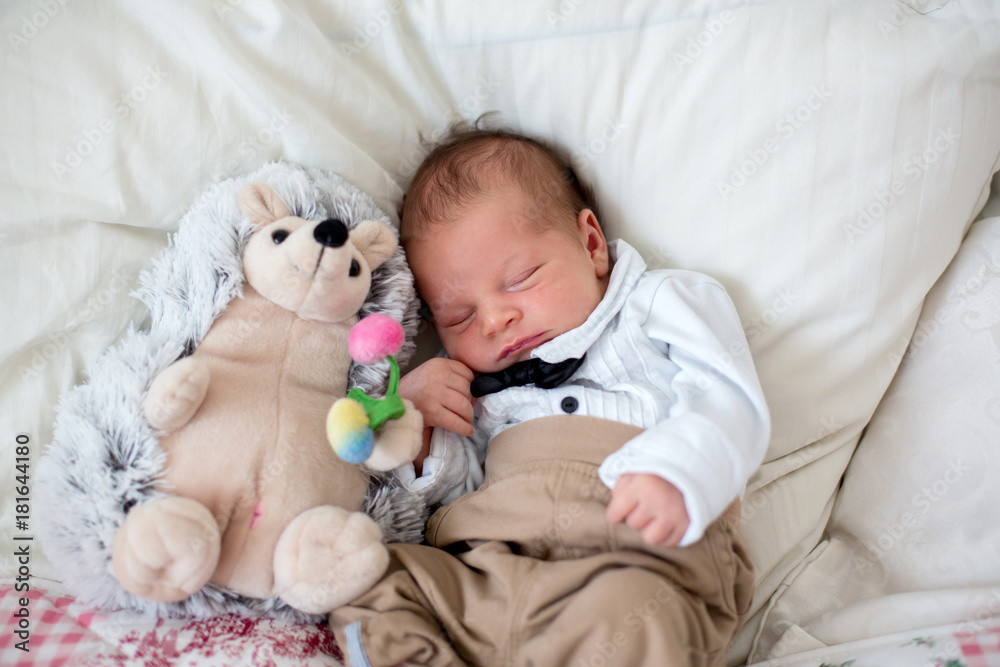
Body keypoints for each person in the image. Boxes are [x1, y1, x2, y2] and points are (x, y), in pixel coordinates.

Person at [329, 121, 770, 667]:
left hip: (632, 558)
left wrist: (678, 472)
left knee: (633, 617)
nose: (494, 319)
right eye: (460, 316)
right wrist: (419, 428)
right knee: (367, 573)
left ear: (589, 244)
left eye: (520, 278)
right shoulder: (470, 382)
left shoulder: (659, 305)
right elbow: (464, 488)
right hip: (492, 571)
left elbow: (728, 401)